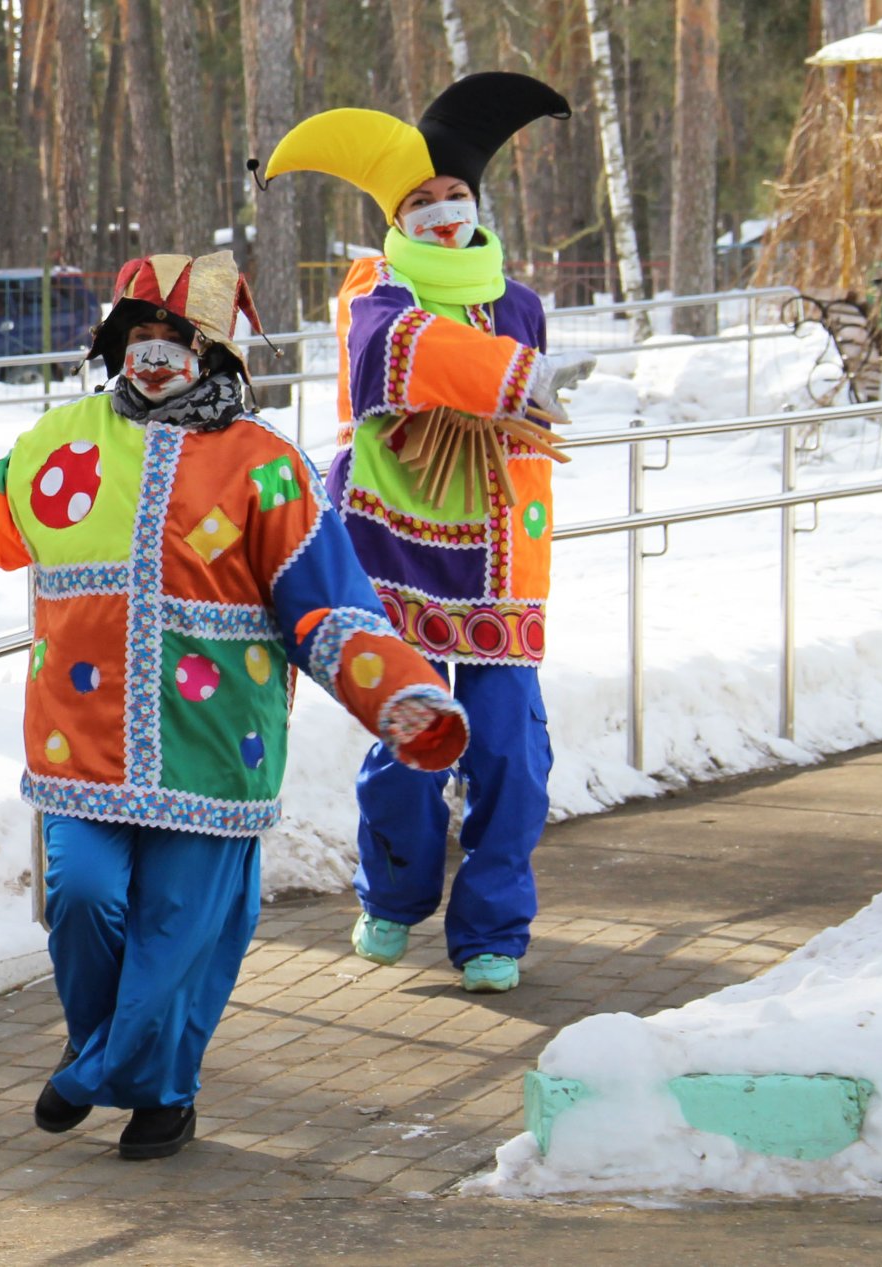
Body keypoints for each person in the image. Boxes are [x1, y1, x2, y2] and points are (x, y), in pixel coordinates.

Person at [0, 250, 470, 1160]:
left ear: (216, 352)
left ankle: (151, 1088)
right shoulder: (68, 440)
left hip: (215, 747)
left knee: (180, 930)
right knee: (85, 899)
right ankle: (100, 1051)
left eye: (178, 337)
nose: (156, 354)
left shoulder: (268, 466)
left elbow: (327, 600)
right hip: (78, 737)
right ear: (114, 344)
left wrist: (393, 685)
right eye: (140, 335)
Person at [262, 74, 591, 994]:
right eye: (422, 201)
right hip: (395, 552)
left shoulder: (516, 302)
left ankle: (493, 926)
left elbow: (522, 392)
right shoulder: (375, 288)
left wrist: (522, 387)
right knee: (409, 749)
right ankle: (394, 895)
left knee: (511, 754)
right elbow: (386, 361)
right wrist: (514, 381)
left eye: (455, 195)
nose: (444, 213)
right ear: (395, 218)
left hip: (498, 564)